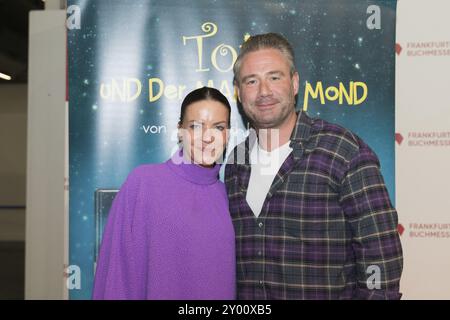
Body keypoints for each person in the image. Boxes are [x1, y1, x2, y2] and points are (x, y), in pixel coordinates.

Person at [225, 33, 403, 299]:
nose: (263, 91)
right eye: (251, 81)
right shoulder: (236, 163)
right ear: (239, 93)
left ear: (294, 83)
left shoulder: (344, 151)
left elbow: (381, 257)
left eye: (274, 77)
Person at [93, 87, 235, 299]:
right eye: (195, 126)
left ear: (228, 135)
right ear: (180, 131)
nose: (207, 137)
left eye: (218, 127)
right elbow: (117, 274)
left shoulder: (230, 197)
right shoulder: (143, 184)